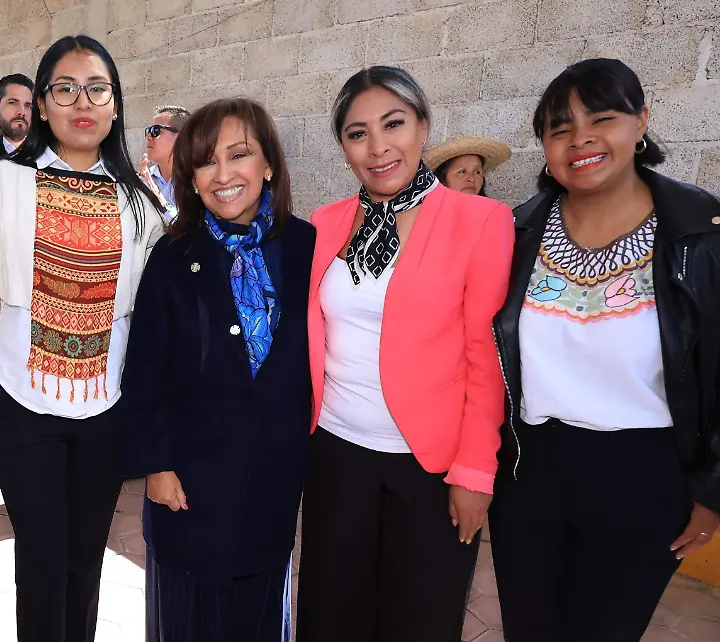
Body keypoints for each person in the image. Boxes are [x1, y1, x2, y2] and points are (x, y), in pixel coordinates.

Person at [490, 58, 720, 642]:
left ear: (641, 123)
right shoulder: (518, 234)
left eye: (603, 118)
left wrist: (713, 492)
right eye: (559, 128)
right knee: (530, 629)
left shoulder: (700, 236)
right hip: (529, 470)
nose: (580, 139)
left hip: (643, 476)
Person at [295, 66, 514, 642]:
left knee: (418, 617)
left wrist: (475, 470)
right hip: (335, 454)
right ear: (343, 147)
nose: (378, 146)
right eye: (357, 133)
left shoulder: (480, 220)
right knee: (330, 612)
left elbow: (485, 355)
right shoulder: (326, 223)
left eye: (393, 124)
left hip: (429, 465)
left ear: (423, 128)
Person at [0, 35, 164, 642]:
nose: (83, 100)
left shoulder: (139, 204)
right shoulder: (2, 185)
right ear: (42, 106)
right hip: (26, 407)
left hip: (106, 410)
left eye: (97, 88)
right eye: (65, 88)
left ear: (115, 105)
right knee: (43, 560)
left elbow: (154, 308)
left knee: (86, 561)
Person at [122, 97, 314, 642]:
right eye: (207, 161)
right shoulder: (173, 256)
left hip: (271, 485)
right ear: (190, 175)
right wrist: (156, 466)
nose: (224, 175)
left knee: (258, 620)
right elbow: (144, 373)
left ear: (269, 164)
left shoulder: (305, 247)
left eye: (240, 155)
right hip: (189, 488)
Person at [139, 105, 190, 220]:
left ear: (181, 136)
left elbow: (191, 231)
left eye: (156, 131)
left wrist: (159, 199)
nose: (148, 137)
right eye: (148, 131)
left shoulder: (198, 181)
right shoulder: (142, 181)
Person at [422, 135, 511, 197]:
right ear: (442, 179)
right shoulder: (426, 215)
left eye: (477, 172)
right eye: (462, 171)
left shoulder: (493, 215)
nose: (471, 178)